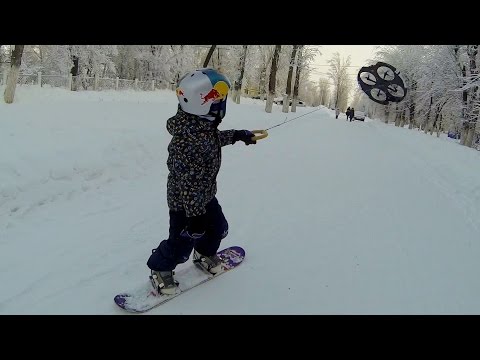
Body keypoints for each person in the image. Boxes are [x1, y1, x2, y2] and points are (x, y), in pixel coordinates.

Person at [146, 68, 257, 295]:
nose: (222, 101)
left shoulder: (201, 126)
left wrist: (237, 135)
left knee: (218, 228)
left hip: (205, 197)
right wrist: (195, 217)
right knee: (181, 244)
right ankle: (160, 268)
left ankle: (205, 253)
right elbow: (187, 184)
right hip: (184, 206)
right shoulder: (187, 141)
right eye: (218, 96)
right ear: (202, 102)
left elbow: (213, 140)